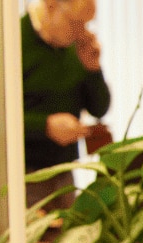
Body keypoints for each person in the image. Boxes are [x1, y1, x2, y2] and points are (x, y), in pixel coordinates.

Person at [23, 0, 110, 211]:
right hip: (25, 174)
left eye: (86, 24)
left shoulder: (76, 47)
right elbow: (0, 118)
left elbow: (99, 109)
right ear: (51, 6)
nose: (82, 32)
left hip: (64, 172)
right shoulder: (14, 42)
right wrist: (46, 126)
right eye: (75, 23)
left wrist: (93, 69)